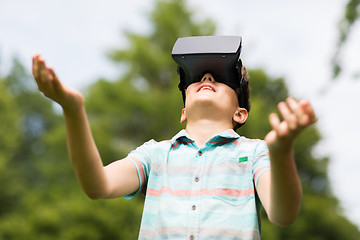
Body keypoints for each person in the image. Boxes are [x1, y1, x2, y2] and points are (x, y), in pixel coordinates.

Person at [32, 43, 316, 239]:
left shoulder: (255, 153)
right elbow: (98, 185)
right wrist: (72, 109)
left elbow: (282, 214)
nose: (206, 76)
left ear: (240, 113)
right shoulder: (154, 155)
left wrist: (280, 152)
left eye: (222, 77)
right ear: (183, 111)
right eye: (196, 76)